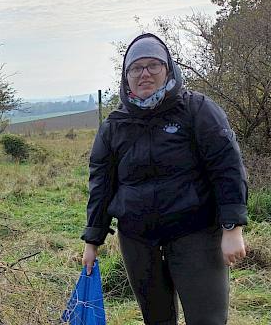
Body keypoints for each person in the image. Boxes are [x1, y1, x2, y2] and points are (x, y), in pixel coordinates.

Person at [81, 33, 248, 325]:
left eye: (153, 65)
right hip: (138, 241)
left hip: (195, 235)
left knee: (207, 320)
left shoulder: (197, 110)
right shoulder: (114, 125)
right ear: (126, 76)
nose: (144, 73)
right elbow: (101, 186)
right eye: (136, 68)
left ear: (168, 69)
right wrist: (92, 240)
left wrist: (232, 228)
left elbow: (227, 168)